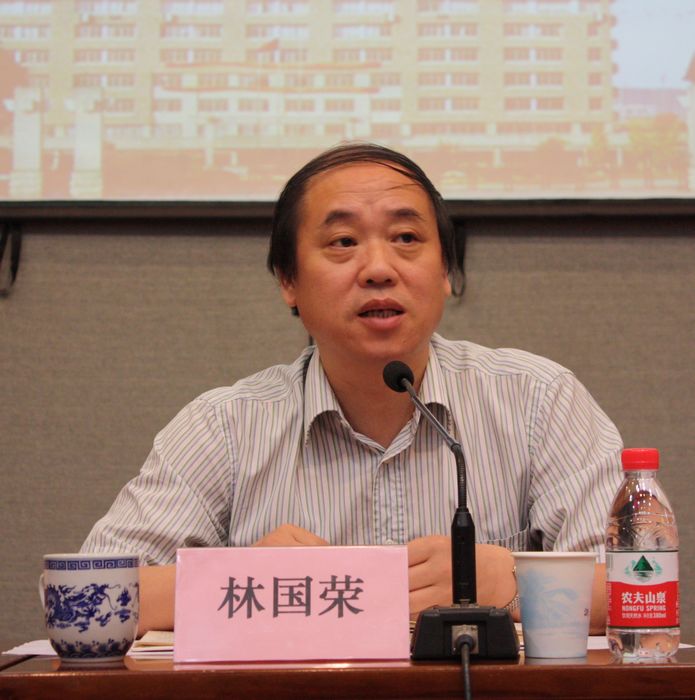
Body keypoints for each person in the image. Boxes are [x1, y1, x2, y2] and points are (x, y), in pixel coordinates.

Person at [81, 143, 623, 635]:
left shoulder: (538, 401)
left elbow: (644, 588)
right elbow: (85, 592)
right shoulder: (224, 427)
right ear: (288, 281)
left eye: (406, 238)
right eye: (343, 242)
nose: (379, 269)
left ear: (444, 272)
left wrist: (512, 582)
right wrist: (238, 581)